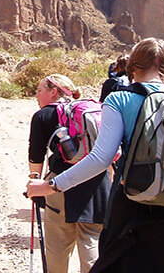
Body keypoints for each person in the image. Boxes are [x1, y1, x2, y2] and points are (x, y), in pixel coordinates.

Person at [27, 38, 164, 273]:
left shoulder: (120, 99)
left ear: (132, 66)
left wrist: (53, 185)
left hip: (137, 207)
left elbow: (101, 158)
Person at [29, 74, 110, 273]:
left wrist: (34, 183)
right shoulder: (91, 111)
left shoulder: (43, 116)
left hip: (60, 187)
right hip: (99, 185)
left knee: (58, 248)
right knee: (92, 244)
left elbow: (36, 156)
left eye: (40, 90)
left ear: (53, 92)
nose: (37, 95)